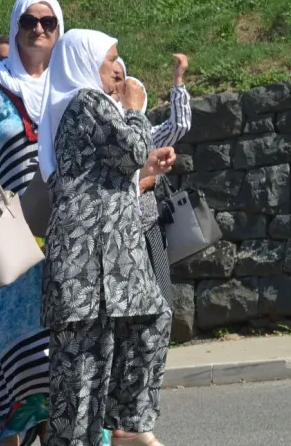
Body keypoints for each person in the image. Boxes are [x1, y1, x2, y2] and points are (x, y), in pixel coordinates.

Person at [37, 30, 168, 446]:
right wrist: (134, 109)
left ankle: (124, 422)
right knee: (78, 384)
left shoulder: (76, 106)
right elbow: (128, 150)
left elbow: (111, 169)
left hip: (105, 263)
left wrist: (145, 162)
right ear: (83, 62)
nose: (119, 67)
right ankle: (125, 423)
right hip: (85, 265)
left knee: (144, 325)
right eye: (111, 58)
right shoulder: (85, 101)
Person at [0, 0, 71, 445]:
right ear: (15, 26)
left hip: (69, 239)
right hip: (13, 244)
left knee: (63, 363)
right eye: (30, 21)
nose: (39, 30)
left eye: (49, 22)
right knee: (20, 360)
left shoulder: (71, 84)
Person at [107, 54, 191, 446]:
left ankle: (133, 419)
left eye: (126, 79)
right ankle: (120, 422)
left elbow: (180, 125)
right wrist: (140, 182)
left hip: (147, 233)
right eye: (115, 78)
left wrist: (178, 81)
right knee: (122, 330)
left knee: (159, 312)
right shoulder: (100, 128)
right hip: (114, 240)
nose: (121, 84)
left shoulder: (141, 129)